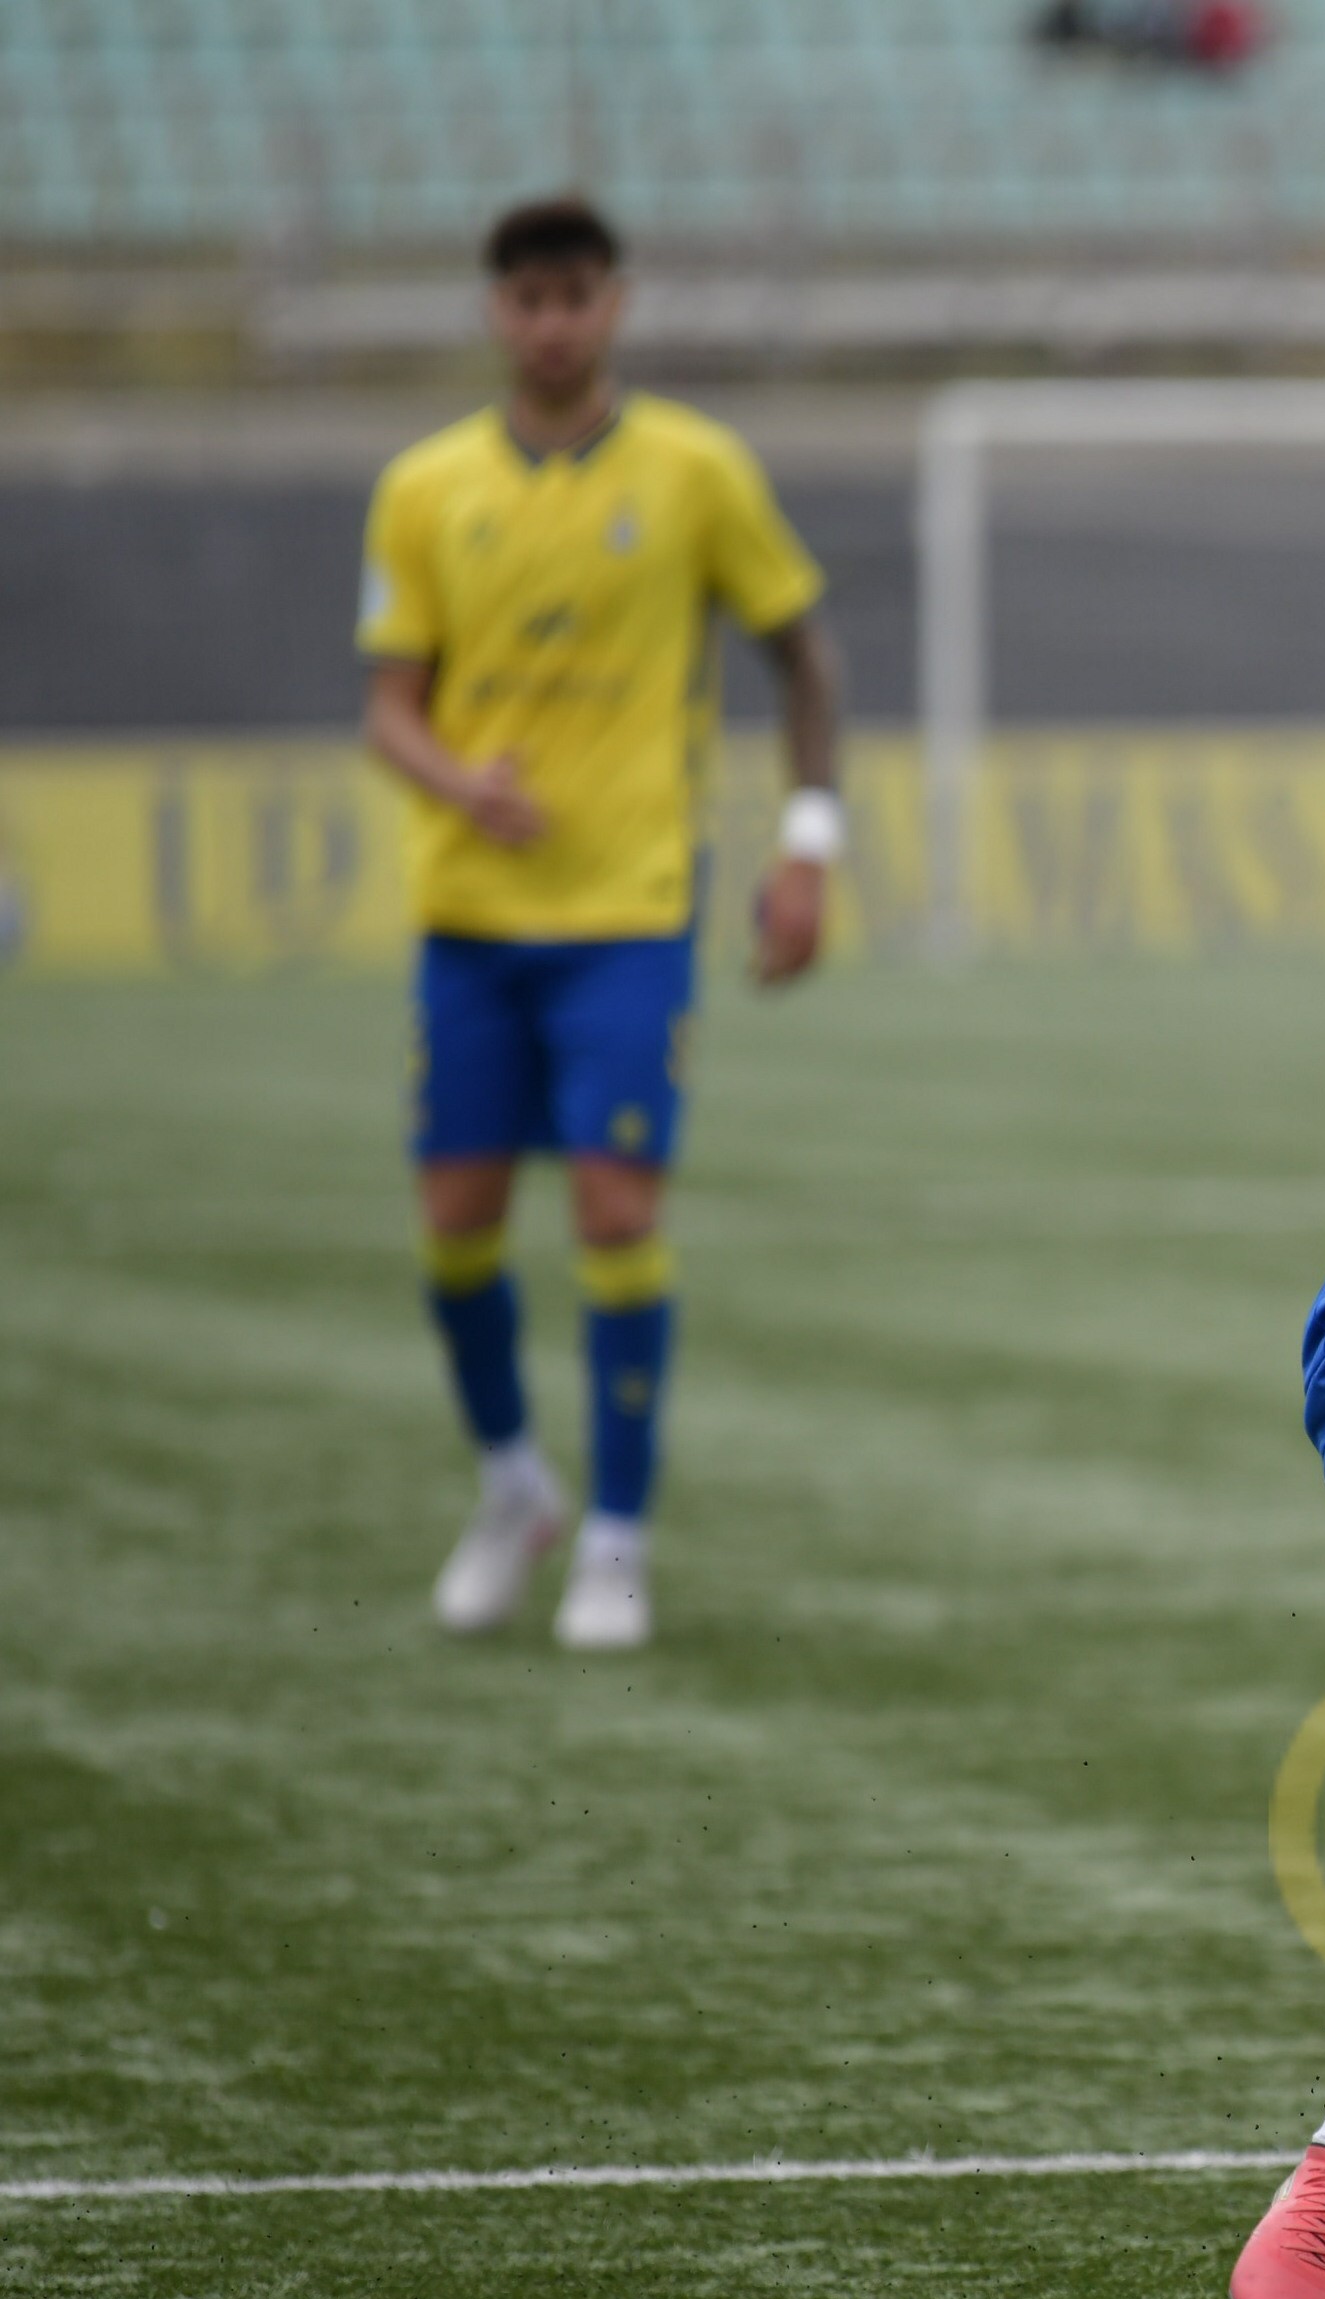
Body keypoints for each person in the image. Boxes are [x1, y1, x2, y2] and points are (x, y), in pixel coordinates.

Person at [363, 197, 845, 1652]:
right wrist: (461, 780)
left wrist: (804, 846)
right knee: (455, 1230)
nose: (552, 321)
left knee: (616, 1212)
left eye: (576, 295)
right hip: (468, 916)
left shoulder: (697, 471)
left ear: (615, 304)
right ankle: (515, 1485)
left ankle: (617, 1539)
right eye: (528, 299)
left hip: (632, 914)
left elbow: (800, 662)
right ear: (497, 313)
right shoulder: (424, 488)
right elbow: (390, 704)